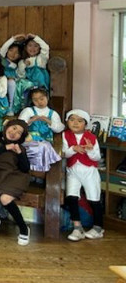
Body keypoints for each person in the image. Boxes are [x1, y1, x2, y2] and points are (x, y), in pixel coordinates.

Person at [0, 119, 31, 245]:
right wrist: (5, 148)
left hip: (15, 176)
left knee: (5, 198)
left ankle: (24, 228)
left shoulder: (19, 148)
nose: (14, 133)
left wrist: (19, 154)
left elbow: (25, 168)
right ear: (7, 127)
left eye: (19, 132)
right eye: (14, 128)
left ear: (21, 137)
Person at [62, 109, 104, 241]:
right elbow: (64, 153)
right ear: (67, 121)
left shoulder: (92, 137)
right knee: (71, 197)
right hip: (73, 170)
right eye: (72, 120)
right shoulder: (65, 135)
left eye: (80, 121)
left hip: (89, 171)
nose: (75, 123)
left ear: (85, 124)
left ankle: (98, 228)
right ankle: (77, 227)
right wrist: (73, 149)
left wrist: (90, 150)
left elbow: (97, 157)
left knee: (94, 199)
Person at [18, 87, 63, 173]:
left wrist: (48, 121)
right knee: (41, 146)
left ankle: (39, 172)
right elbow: (19, 125)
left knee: (44, 146)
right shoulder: (28, 111)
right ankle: (34, 170)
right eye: (35, 100)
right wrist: (31, 120)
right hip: (30, 141)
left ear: (47, 97)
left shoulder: (52, 113)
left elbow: (59, 128)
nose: (39, 102)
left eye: (41, 99)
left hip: (45, 142)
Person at [0, 35, 28, 115]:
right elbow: (3, 48)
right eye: (11, 50)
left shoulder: (18, 65)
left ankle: (13, 107)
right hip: (2, 81)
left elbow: (20, 75)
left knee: (16, 83)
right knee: (9, 82)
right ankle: (5, 107)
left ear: (20, 55)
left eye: (16, 53)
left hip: (13, 83)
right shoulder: (2, 61)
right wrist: (14, 38)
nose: (13, 54)